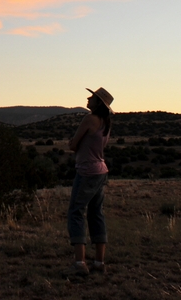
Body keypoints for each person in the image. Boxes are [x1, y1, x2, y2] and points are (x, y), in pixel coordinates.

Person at [66, 86, 113, 277]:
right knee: (96, 214)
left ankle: (79, 263)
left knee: (76, 212)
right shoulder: (105, 122)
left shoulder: (89, 119)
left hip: (86, 172)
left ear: (97, 103)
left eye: (92, 97)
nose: (88, 98)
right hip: (101, 171)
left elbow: (73, 144)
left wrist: (73, 144)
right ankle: (99, 262)